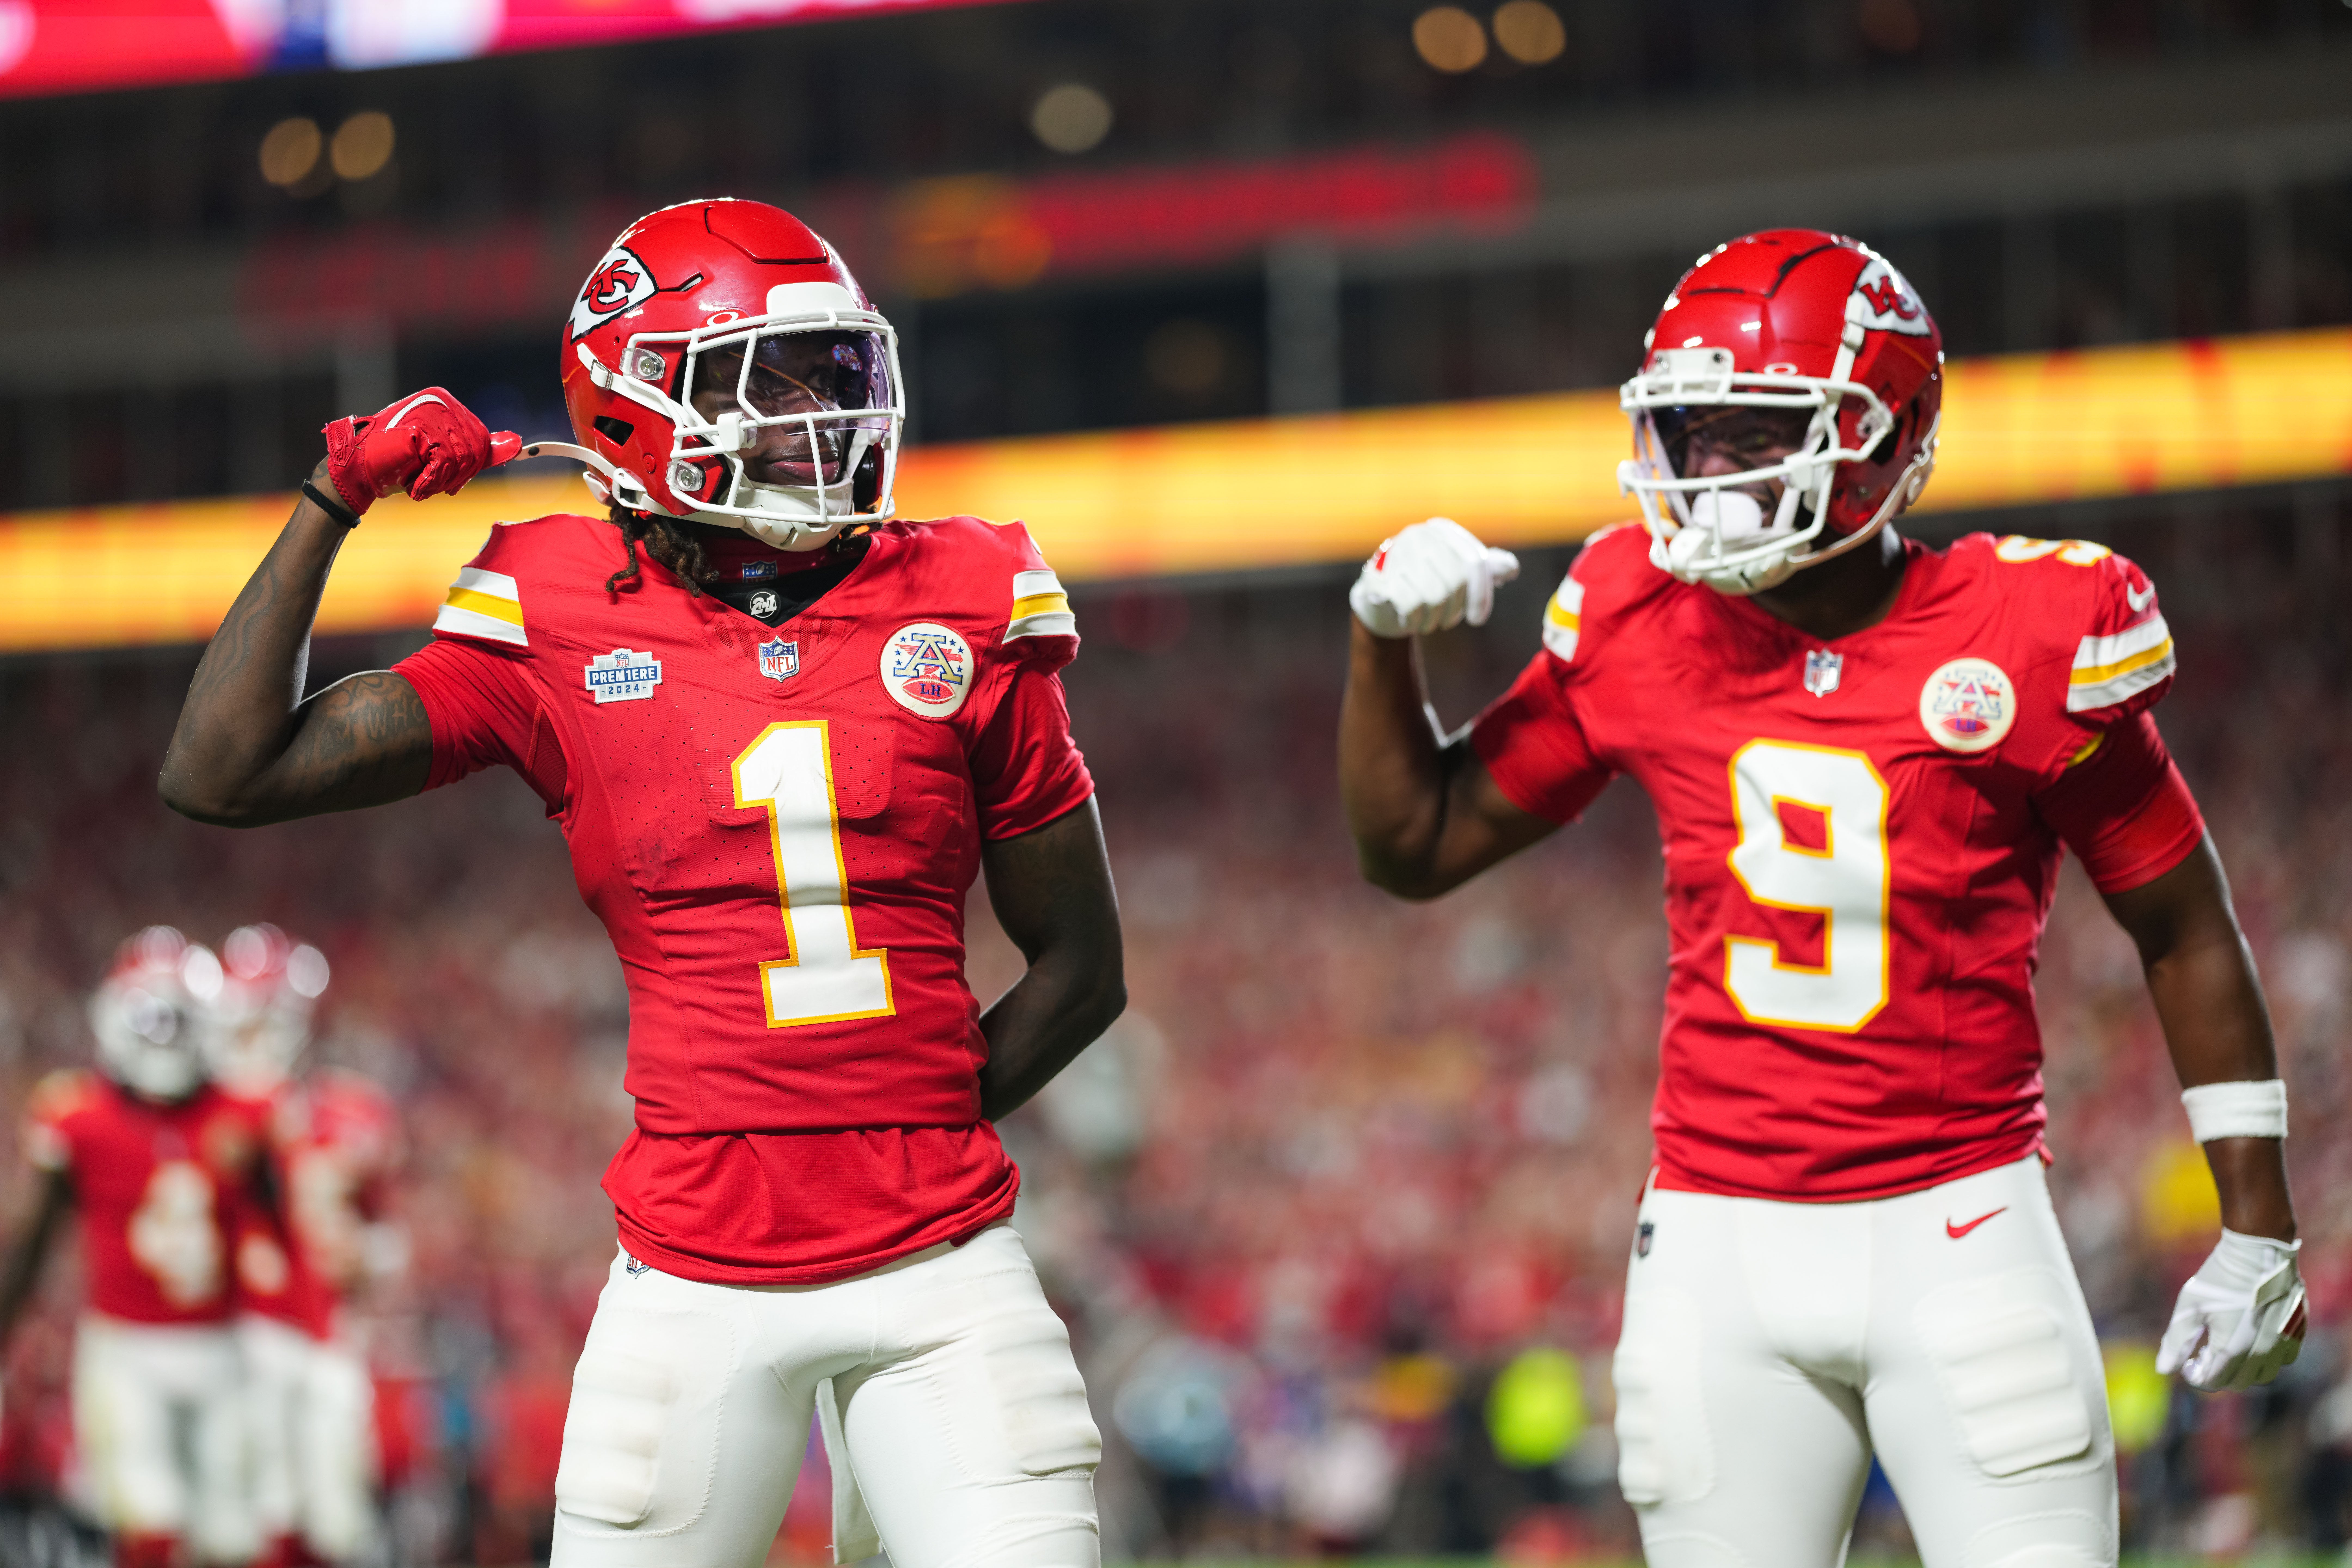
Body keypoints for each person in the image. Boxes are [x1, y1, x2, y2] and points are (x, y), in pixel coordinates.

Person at [159, 197, 1125, 1568]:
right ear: (632, 406)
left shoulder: (961, 591)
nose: (819, 415)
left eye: (831, 374)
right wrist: (338, 496)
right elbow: (222, 770)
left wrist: (887, 1117)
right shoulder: (554, 603)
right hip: (689, 1286)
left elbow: (1087, 970)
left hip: (945, 1276)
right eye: (769, 382)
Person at [1336, 229, 2304, 1567]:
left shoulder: (2023, 632)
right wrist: (1384, 645)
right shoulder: (1633, 616)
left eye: (1759, 431)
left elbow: (2181, 921)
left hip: (1958, 1220)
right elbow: (1415, 843)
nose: (1717, 472)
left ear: (1888, 436)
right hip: (1717, 1243)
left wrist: (2255, 1223)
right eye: (1697, 433)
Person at [0, 928, 267, 1568]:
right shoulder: (80, 1119)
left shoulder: (245, 1117)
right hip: (127, 1351)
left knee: (231, 1538)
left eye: (180, 1017)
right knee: (147, 1527)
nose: (167, 1035)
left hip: (225, 1349)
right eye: (152, 1016)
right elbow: (31, 1243)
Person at [208, 924, 396, 1568]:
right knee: (263, 1509)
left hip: (327, 1329)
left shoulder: (348, 1111)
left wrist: (366, 1257)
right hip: (243, 1330)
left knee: (340, 1517)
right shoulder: (215, 1117)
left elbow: (385, 1240)